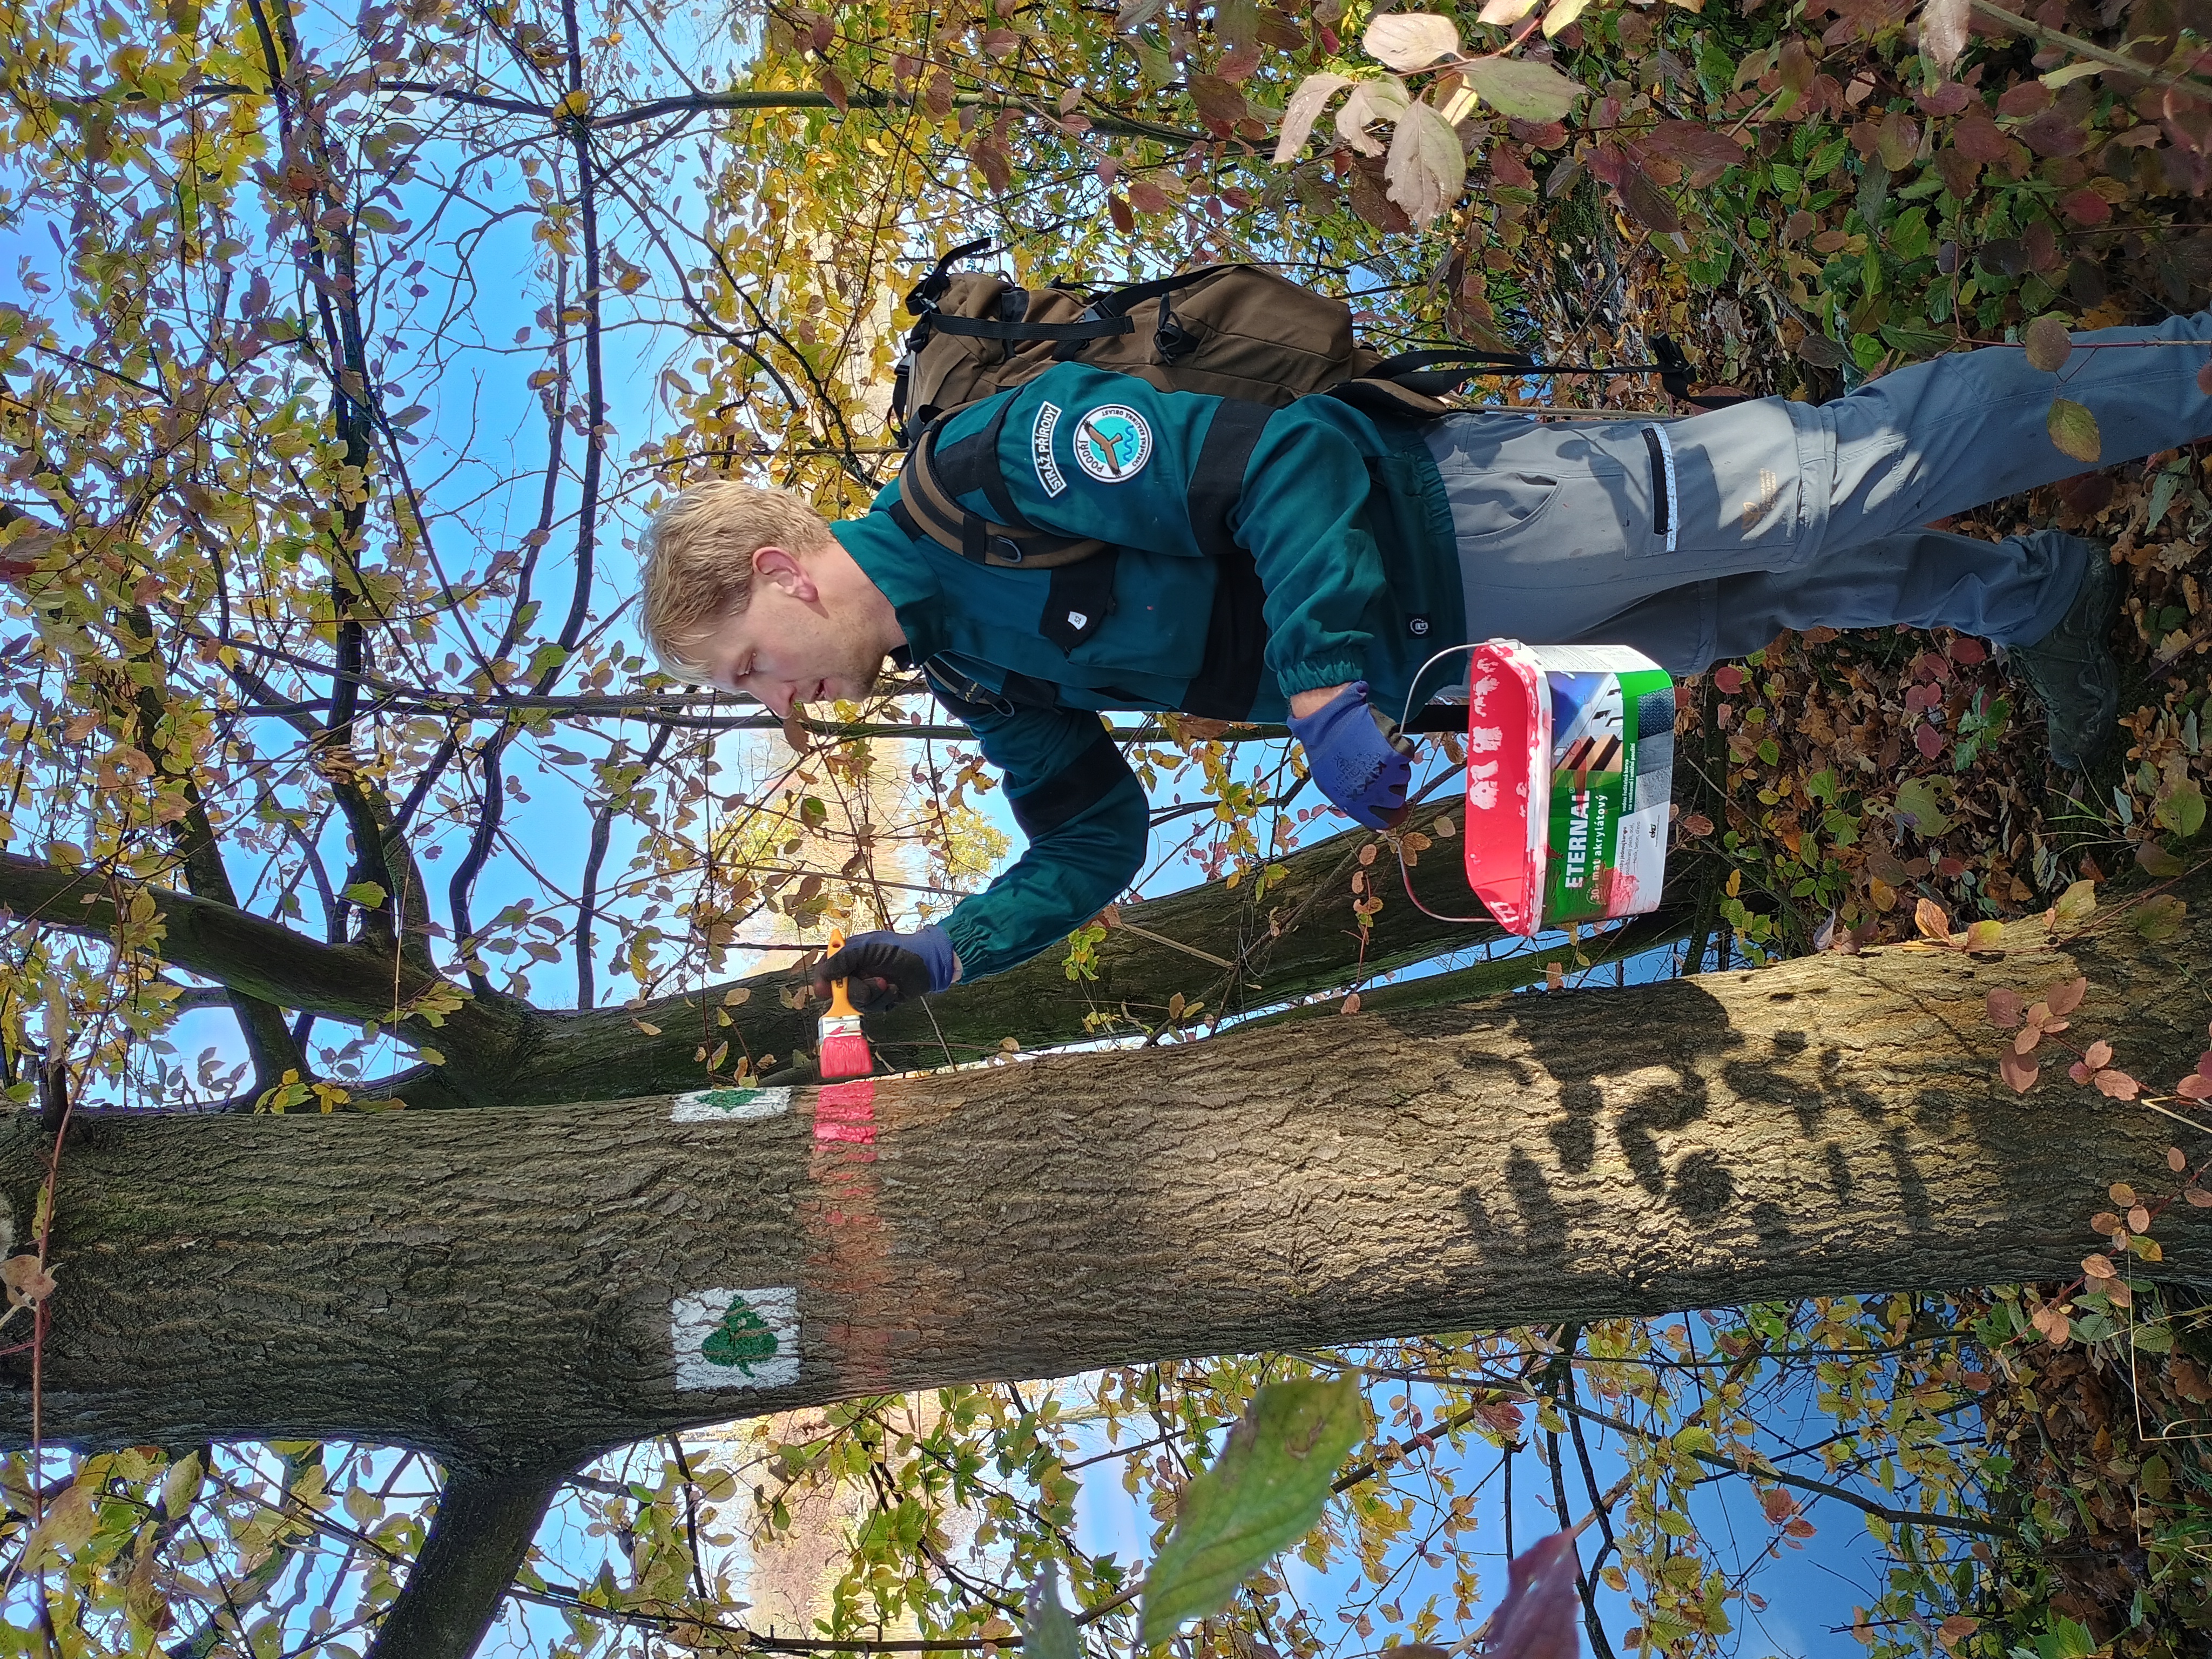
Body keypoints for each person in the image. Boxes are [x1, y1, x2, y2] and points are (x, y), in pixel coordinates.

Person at [640, 311, 2212, 1011]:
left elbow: (1295, 459)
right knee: (1772, 602)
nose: (779, 704)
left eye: (750, 667)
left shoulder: (992, 466)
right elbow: (1093, 832)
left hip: (1475, 525)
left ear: (779, 570)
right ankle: (2037, 595)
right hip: (1463, 667)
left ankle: (2187, 365)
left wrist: (1321, 684)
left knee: (1829, 479)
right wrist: (959, 949)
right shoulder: (975, 674)